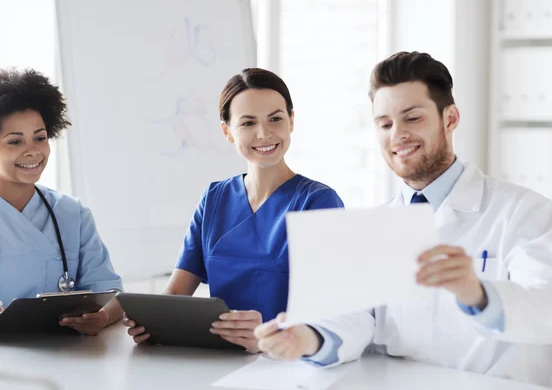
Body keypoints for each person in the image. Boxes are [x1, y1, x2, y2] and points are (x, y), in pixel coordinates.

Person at [254, 52, 552, 387]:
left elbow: (545, 308)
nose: (397, 135)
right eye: (385, 124)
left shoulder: (524, 212)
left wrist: (477, 293)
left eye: (412, 119)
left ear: (450, 118)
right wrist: (308, 338)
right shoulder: (378, 225)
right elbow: (356, 315)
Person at [124, 68, 344, 352]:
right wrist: (151, 322)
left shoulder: (319, 202)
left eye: (275, 119)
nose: (263, 134)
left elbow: (330, 310)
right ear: (227, 131)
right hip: (220, 358)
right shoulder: (214, 199)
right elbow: (178, 293)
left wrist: (269, 336)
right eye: (248, 123)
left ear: (291, 120)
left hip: (290, 362)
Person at [0, 68, 124, 341]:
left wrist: (101, 319)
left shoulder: (72, 213)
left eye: (40, 137)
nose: (33, 150)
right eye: (15, 141)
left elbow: (111, 293)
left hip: (64, 356)